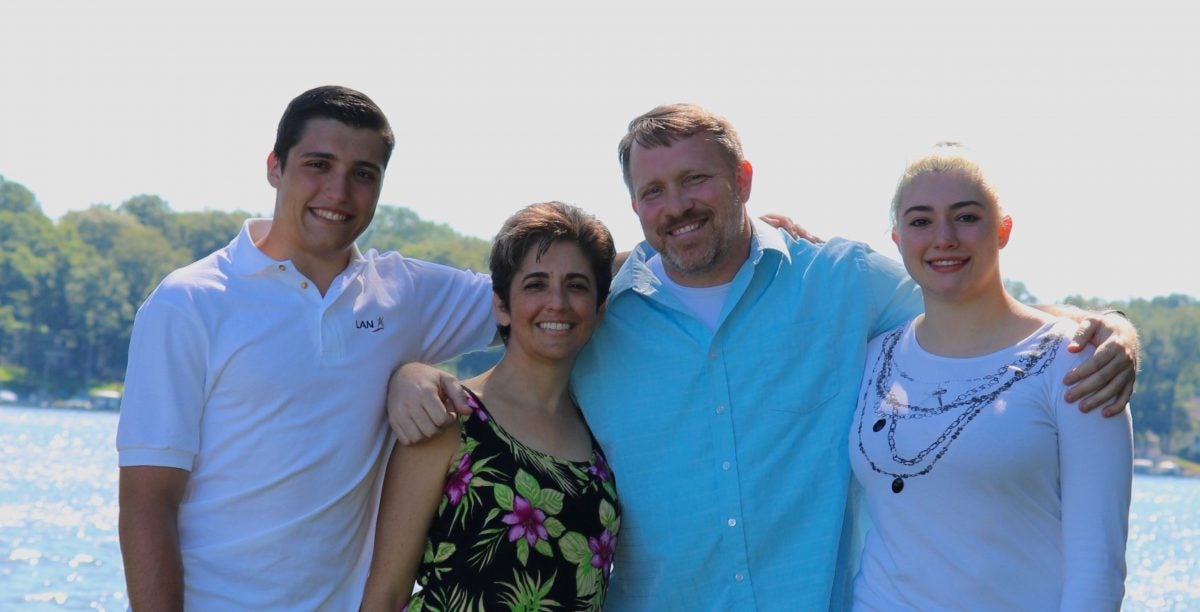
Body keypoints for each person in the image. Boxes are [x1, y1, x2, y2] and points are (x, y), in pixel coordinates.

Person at [387, 104, 1140, 610]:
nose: (676, 205)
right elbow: (503, 328)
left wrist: (1103, 326)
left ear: (743, 181)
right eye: (654, 190)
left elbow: (973, 302)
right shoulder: (595, 307)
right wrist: (409, 373)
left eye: (695, 180)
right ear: (635, 207)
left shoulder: (844, 284)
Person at [116, 86, 497, 610]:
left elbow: (553, 295)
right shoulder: (188, 303)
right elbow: (146, 501)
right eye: (319, 164)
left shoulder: (403, 294)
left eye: (363, 173)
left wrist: (653, 240)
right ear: (275, 167)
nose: (338, 191)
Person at [849, 144, 1133, 610]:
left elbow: (1097, 569)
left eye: (966, 217)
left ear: (1003, 230)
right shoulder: (871, 358)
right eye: (920, 221)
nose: (944, 237)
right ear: (898, 240)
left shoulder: (1078, 360)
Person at [361, 201, 620, 611]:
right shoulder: (450, 418)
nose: (557, 302)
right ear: (501, 305)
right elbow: (387, 595)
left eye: (576, 285)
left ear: (600, 308)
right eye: (535, 284)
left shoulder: (601, 435)